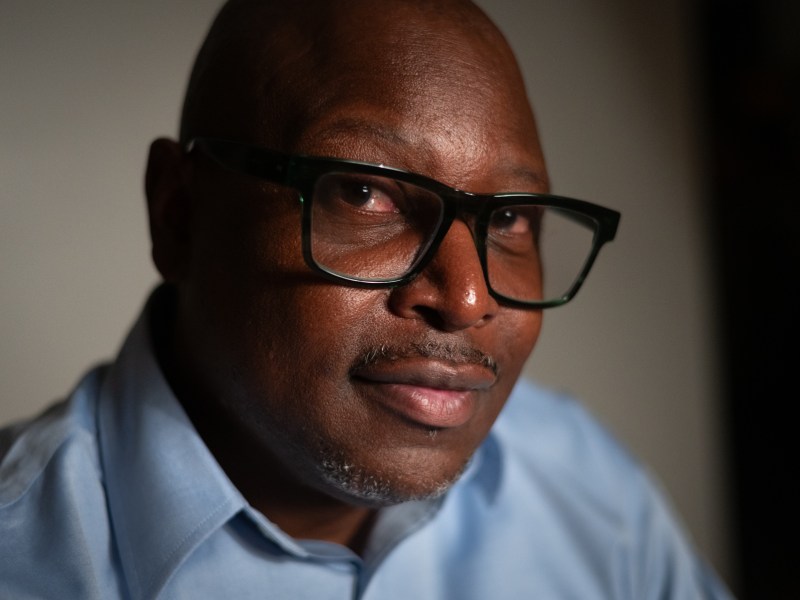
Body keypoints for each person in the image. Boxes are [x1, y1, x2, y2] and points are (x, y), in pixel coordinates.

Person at [0, 0, 732, 598]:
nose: (469, 298)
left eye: (508, 219)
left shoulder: (589, 490)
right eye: (364, 192)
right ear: (179, 214)